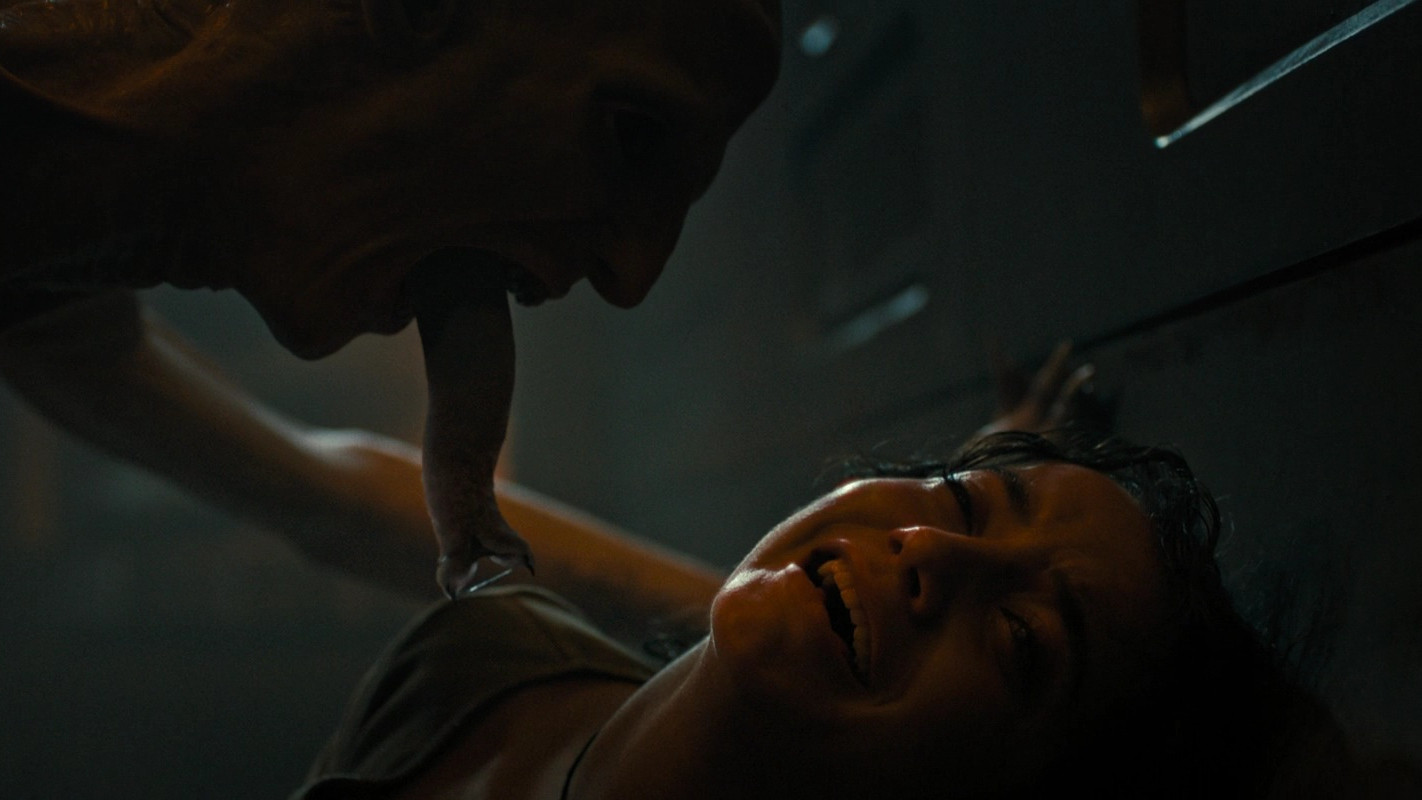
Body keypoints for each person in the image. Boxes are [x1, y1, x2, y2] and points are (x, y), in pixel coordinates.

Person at [291, 354, 1399, 799]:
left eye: (1025, 643)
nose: (930, 550)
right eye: (962, 498)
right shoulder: (506, 645)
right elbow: (329, 491)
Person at [0, 0, 782, 596]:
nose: (631, 278)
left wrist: (750, 616)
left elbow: (331, 502)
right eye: (634, 136)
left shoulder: (48, 287)